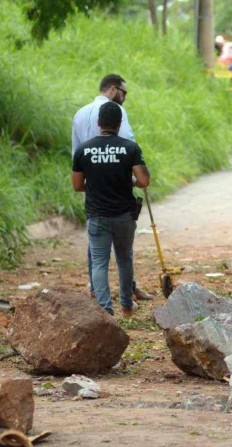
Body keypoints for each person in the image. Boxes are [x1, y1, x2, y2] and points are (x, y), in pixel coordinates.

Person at [72, 74, 154, 302]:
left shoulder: (79, 114)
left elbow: (76, 161)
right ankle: (127, 300)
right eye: (123, 92)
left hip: (94, 194)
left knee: (97, 252)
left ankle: (98, 297)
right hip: (120, 195)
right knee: (124, 255)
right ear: (111, 89)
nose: (124, 97)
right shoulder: (117, 111)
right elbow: (128, 145)